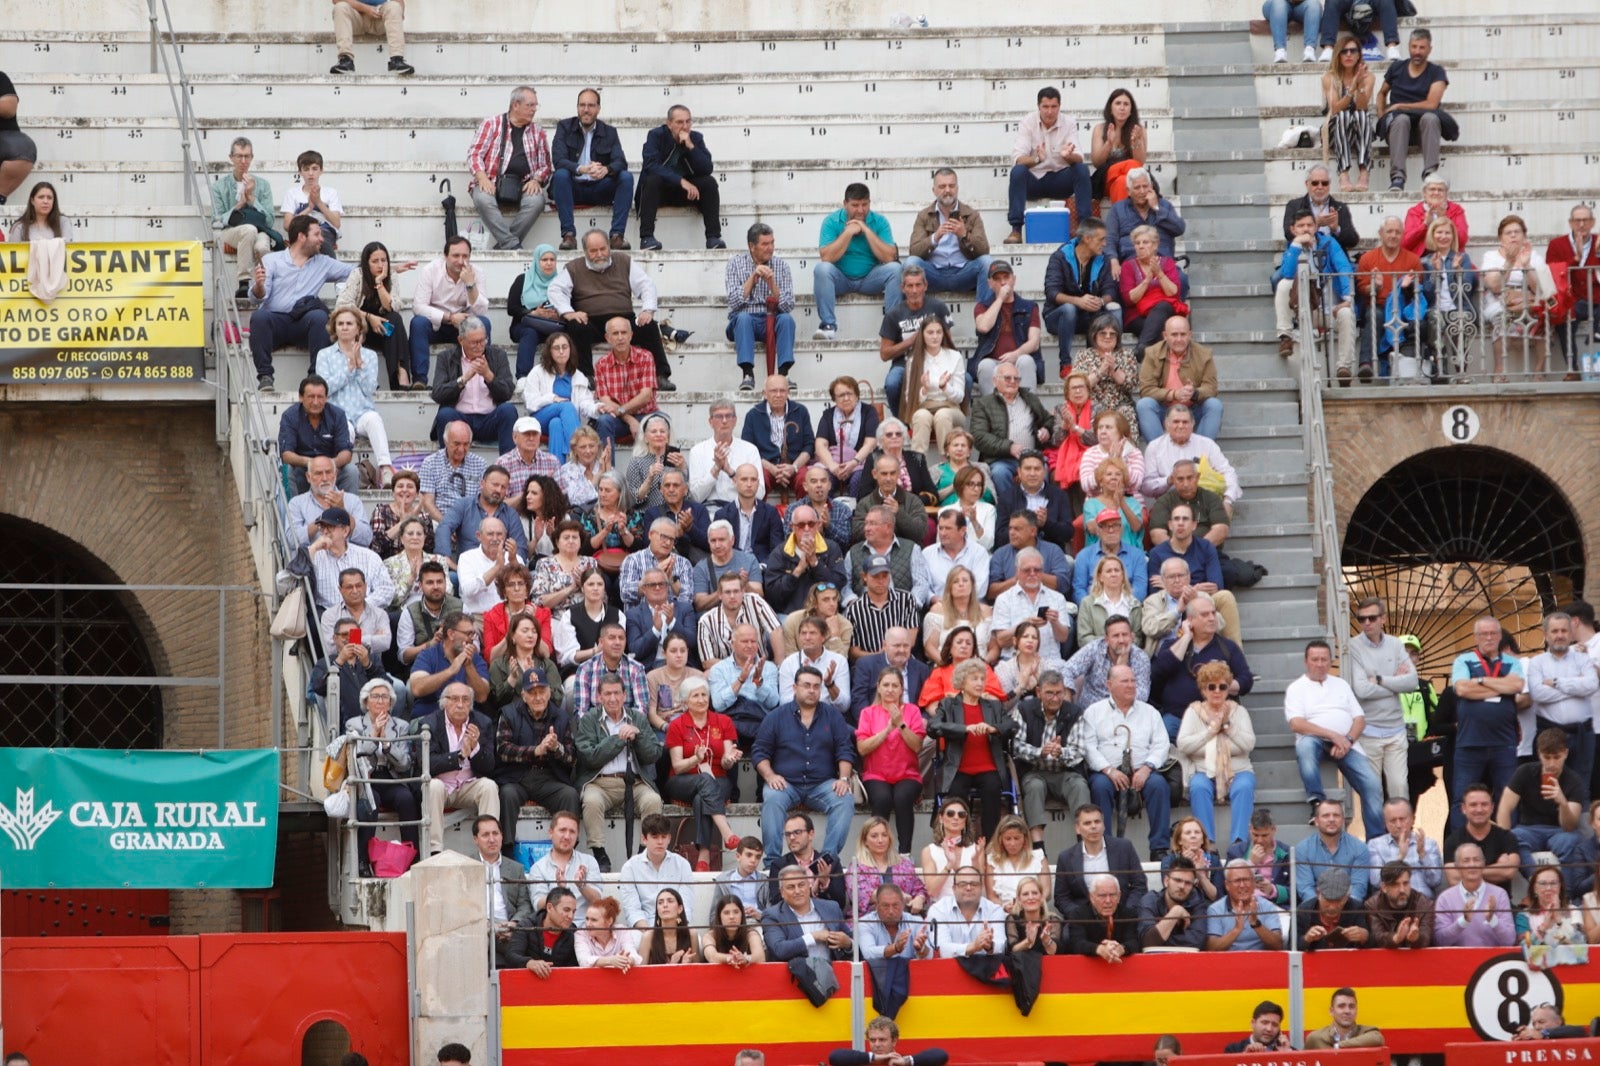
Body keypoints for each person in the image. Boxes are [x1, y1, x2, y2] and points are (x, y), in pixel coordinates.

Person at [752, 666, 856, 865]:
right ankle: (773, 863)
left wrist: (844, 778)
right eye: (806, 685)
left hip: (822, 784)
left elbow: (844, 749)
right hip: (786, 784)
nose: (812, 690)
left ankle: (827, 860)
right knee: (772, 798)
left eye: (816, 687)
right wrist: (770, 776)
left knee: (844, 800)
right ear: (794, 687)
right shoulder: (776, 717)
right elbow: (759, 751)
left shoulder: (833, 716)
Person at [1286, 639, 1386, 838]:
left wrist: (1347, 740)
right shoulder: (1296, 688)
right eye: (1315, 659)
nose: (1320, 664)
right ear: (1306, 662)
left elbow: (1359, 719)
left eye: (1324, 659)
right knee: (1304, 747)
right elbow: (1296, 723)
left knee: (1373, 785)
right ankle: (1317, 802)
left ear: (1331, 661)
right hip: (1314, 740)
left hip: (1348, 744)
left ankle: (1376, 842)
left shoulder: (1341, 684)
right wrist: (1333, 735)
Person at [247, 215, 351, 391]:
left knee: (319, 317)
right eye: (317, 234)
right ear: (302, 237)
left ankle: (315, 377)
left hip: (303, 324)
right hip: (276, 324)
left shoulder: (323, 262)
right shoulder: (273, 260)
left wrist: (387, 268)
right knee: (259, 317)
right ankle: (265, 376)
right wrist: (258, 285)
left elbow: (354, 270)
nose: (322, 239)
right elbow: (258, 298)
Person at [574, 673, 663, 873]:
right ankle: (600, 854)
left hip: (634, 782)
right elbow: (589, 756)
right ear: (599, 697)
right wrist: (618, 738)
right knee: (591, 801)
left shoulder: (637, 717)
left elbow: (654, 753)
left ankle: (643, 853)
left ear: (625, 695)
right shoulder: (589, 719)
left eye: (616, 693)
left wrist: (637, 737)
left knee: (653, 801)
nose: (612, 698)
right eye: (607, 694)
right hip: (600, 782)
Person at [1081, 663, 1171, 857]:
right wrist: (1109, 770)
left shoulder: (1150, 712)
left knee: (1159, 786)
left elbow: (1161, 745)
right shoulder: (1094, 712)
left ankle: (1159, 848)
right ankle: (1106, 847)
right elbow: (1088, 747)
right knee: (1099, 787)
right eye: (1124, 681)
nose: (1131, 685)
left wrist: (1147, 768)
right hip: (1107, 772)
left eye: (1133, 681)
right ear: (1109, 685)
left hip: (1142, 771)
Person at [1450, 616, 1525, 820]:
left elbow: (1516, 686)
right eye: (1484, 634)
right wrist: (1501, 687)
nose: (1489, 637)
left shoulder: (1511, 662)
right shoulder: (1463, 660)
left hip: (1504, 743)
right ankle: (1460, 849)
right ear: (1476, 637)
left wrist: (1481, 680)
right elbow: (1463, 689)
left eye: (1493, 633)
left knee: (1508, 797)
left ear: (1500, 636)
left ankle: (1509, 846)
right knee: (1462, 799)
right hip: (1470, 743)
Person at [1343, 596, 1418, 799]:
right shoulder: (1353, 646)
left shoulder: (1395, 644)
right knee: (1372, 793)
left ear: (1383, 619)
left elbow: (1412, 682)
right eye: (1362, 619)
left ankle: (1400, 832)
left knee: (1400, 788)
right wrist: (1395, 683)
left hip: (1396, 730)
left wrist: (1379, 679)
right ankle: (1376, 833)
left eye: (1372, 618)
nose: (1366, 623)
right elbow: (1362, 690)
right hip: (1368, 732)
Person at [1176, 661, 1256, 848]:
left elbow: (1248, 744)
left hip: (1239, 770)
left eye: (1222, 686)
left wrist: (1228, 726)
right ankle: (1207, 843)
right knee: (1198, 787)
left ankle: (1239, 843)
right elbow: (1184, 744)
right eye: (1211, 686)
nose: (1217, 691)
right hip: (1204, 771)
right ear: (1203, 689)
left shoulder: (1239, 712)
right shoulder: (1194, 712)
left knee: (1244, 787)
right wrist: (1211, 732)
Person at [663, 676, 740, 871]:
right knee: (704, 782)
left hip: (718, 778)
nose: (701, 699)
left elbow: (726, 762)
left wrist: (728, 760)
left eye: (704, 694)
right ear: (685, 701)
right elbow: (677, 765)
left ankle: (703, 855)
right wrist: (695, 759)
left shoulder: (723, 721)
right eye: (695, 695)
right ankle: (726, 831)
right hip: (682, 780)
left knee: (701, 799)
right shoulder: (677, 725)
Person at [493, 667, 577, 844]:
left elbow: (571, 758)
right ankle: (507, 850)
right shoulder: (508, 713)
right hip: (517, 777)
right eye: (532, 693)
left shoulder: (561, 717)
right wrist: (534, 751)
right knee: (507, 794)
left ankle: (568, 847)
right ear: (523, 695)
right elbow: (502, 750)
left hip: (548, 777)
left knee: (569, 795)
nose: (538, 697)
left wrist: (557, 747)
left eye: (542, 691)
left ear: (549, 692)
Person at [414, 682, 498, 856]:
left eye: (465, 699)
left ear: (471, 703)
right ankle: (434, 850)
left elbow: (489, 766)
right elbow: (426, 762)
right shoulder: (428, 724)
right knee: (433, 786)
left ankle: (489, 848)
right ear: (444, 702)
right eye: (454, 699)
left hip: (468, 785)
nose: (460, 704)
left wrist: (474, 749)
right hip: (442, 786)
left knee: (489, 786)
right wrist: (459, 756)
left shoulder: (483, 723)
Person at [341, 678, 420, 863]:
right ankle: (363, 859)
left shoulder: (401, 726)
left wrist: (386, 743)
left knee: (407, 799)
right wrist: (374, 734)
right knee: (371, 801)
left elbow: (404, 763)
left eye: (385, 697)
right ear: (366, 702)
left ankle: (413, 859)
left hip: (391, 777)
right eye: (375, 696)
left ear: (391, 703)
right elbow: (358, 755)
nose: (380, 701)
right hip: (366, 778)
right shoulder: (354, 725)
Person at [812, 182, 903, 340]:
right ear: (845, 204)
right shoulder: (831, 221)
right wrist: (848, 233)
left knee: (895, 269)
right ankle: (828, 325)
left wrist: (866, 230)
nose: (860, 210)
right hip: (841, 278)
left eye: (864, 205)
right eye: (855, 205)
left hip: (870, 278)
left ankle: (892, 327)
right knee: (822, 269)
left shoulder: (879, 221)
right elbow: (826, 257)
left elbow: (889, 257)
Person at [467, 86, 551, 252]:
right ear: (515, 105)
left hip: (524, 184)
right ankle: (512, 244)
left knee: (537, 201)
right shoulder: (492, 124)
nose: (534, 110)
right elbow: (474, 154)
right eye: (530, 105)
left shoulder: (538, 131)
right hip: (491, 180)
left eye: (536, 105)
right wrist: (482, 177)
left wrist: (537, 179)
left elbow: (545, 165)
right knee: (483, 199)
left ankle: (505, 245)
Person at [1012, 670, 1089, 849]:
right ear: (1038, 692)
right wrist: (1040, 751)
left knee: (1079, 786)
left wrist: (1060, 752)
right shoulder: (1024, 709)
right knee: (1034, 786)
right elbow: (1015, 745)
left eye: (1059, 693)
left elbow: (1079, 751)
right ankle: (1039, 848)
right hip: (1034, 770)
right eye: (1049, 693)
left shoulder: (1075, 712)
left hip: (1064, 772)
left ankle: (1083, 846)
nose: (1055, 698)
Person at [1497, 727, 1587, 882]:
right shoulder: (1525, 772)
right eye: (1547, 757)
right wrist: (1504, 841)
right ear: (1539, 754)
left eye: (1556, 757)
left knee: (1571, 841)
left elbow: (1569, 827)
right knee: (1514, 837)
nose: (1551, 763)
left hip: (1559, 831)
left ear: (1565, 753)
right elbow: (1504, 808)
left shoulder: (1573, 781)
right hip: (1528, 829)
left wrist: (1562, 802)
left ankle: (1566, 892)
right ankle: (1534, 881)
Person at [1005, 86, 1091, 245]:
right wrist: (1036, 159)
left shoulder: (1069, 122)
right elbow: (1018, 159)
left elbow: (1078, 157)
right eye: (1045, 107)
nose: (1050, 111)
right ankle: (1016, 230)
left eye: (1054, 107)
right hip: (1034, 180)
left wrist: (1068, 156)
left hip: (1060, 179)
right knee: (1018, 172)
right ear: (1038, 106)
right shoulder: (1028, 122)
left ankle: (1084, 228)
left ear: (1059, 106)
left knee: (1081, 169)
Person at [549, 88, 632, 252]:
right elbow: (558, 160)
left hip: (600, 187)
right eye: (582, 105)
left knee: (626, 177)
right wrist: (581, 169)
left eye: (591, 105)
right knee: (560, 175)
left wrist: (606, 170)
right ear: (577, 107)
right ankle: (568, 235)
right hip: (573, 187)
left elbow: (621, 161)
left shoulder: (609, 132)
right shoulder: (564, 127)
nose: (586, 109)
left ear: (598, 108)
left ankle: (616, 236)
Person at [1274, 209, 1356, 373]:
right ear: (1293, 230)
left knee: (1347, 313)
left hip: (1330, 309)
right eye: (1301, 226)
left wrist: (1348, 298)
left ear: (1316, 227)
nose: (1306, 229)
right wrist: (1297, 244)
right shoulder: (1292, 247)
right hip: (1304, 311)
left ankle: (1344, 367)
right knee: (1283, 284)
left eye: (1310, 225)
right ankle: (1285, 336)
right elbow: (1287, 274)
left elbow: (1344, 267)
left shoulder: (1328, 243)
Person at [638, 104, 724, 251]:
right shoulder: (656, 135)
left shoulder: (696, 138)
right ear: (669, 124)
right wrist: (680, 181)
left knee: (709, 183)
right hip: (660, 191)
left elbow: (707, 168)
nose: (684, 126)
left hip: (686, 193)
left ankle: (713, 238)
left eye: (688, 121)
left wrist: (691, 146)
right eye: (679, 122)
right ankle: (647, 238)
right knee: (652, 180)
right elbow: (650, 165)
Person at [411, 237, 492, 392]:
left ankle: (481, 375)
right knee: (418, 323)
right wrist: (448, 317)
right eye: (456, 256)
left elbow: (481, 310)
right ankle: (419, 379)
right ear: (445, 256)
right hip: (437, 323)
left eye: (465, 256)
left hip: (464, 326)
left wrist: (470, 284)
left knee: (483, 323)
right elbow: (418, 306)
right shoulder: (430, 270)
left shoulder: (477, 273)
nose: (461, 261)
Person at [905, 168, 994, 304]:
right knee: (911, 263)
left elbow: (984, 250)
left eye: (951, 186)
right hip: (933, 274)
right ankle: (912, 318)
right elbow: (914, 251)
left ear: (957, 188)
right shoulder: (924, 215)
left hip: (963, 273)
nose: (947, 190)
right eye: (942, 186)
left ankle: (984, 319)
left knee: (987, 262)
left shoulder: (971, 214)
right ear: (934, 190)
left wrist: (964, 234)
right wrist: (935, 237)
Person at [1378, 28, 1451, 192]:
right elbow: (1381, 93)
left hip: (1423, 131)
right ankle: (1397, 178)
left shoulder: (1436, 72)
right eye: (1414, 47)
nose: (1417, 52)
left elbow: (1432, 104)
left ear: (1429, 49)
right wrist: (1382, 117)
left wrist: (1401, 106)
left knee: (1430, 118)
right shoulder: (1396, 68)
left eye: (1422, 48)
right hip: (1398, 128)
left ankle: (1430, 174)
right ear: (1409, 47)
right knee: (1401, 120)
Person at [725, 222, 796, 390]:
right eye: (765, 244)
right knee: (742, 318)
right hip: (744, 319)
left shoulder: (782, 266)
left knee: (786, 319)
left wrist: (772, 284)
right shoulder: (735, 264)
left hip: (771, 319)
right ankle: (747, 374)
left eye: (772, 243)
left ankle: (784, 374)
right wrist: (753, 278)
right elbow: (733, 303)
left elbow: (788, 305)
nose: (770, 248)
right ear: (752, 246)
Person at [969, 362, 1055, 497]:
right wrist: (1009, 447)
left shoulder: (1030, 398)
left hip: (1031, 455)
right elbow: (979, 437)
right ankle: (1009, 511)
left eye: (1016, 379)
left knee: (1042, 468)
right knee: (999, 473)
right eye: (1007, 378)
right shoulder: (983, 404)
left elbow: (1048, 419)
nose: (1013, 382)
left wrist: (1046, 430)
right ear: (995, 381)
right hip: (1001, 459)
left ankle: (1038, 510)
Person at [1354, 216, 1424, 377]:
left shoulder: (1413, 260)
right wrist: (1375, 286)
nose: (1393, 235)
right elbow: (1362, 289)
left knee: (1420, 322)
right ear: (1381, 233)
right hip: (1378, 305)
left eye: (1397, 232)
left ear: (1403, 235)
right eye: (1389, 231)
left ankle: (1419, 368)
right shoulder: (1368, 259)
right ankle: (1366, 363)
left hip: (1403, 307)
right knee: (1375, 315)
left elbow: (1418, 292)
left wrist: (1407, 288)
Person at [879, 266, 954, 413]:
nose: (914, 290)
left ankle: (956, 425)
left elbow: (949, 344)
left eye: (918, 285)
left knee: (968, 380)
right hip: (904, 363)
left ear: (925, 286)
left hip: (936, 361)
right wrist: (911, 341)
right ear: (903, 288)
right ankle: (901, 425)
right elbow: (884, 354)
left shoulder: (938, 307)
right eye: (910, 286)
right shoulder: (893, 314)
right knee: (892, 382)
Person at [1135, 318, 1219, 446]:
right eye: (1174, 334)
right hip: (1164, 409)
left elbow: (1211, 387)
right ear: (1165, 336)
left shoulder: (1204, 354)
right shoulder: (1152, 353)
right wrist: (1174, 394)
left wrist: (1195, 393)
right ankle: (1161, 452)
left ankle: (1202, 454)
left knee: (1214, 405)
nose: (1179, 339)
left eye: (1183, 334)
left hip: (1192, 409)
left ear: (1190, 335)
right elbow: (1146, 389)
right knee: (1144, 405)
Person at [589, 317, 661, 461]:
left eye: (624, 333)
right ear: (607, 338)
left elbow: (646, 396)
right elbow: (606, 401)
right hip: (620, 419)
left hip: (646, 414)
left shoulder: (645, 357)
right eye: (615, 333)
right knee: (603, 421)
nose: (620, 338)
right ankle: (609, 475)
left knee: (662, 424)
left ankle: (659, 475)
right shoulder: (601, 365)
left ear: (631, 335)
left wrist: (622, 410)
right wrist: (629, 420)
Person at [213, 137, 276, 298]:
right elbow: (216, 220)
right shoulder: (219, 186)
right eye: (239, 156)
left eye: (247, 156)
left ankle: (266, 286)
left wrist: (252, 198)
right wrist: (240, 204)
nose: (243, 161)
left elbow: (269, 220)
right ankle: (244, 282)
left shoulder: (263, 185)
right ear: (231, 158)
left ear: (252, 157)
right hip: (231, 230)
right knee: (249, 230)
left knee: (262, 246)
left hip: (259, 229)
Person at [279, 375, 359, 498]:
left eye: (320, 397)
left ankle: (348, 514)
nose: (316, 402)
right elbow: (286, 455)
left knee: (351, 471)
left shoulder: (337, 415)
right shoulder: (290, 416)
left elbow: (346, 453)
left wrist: (329, 465)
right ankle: (292, 515)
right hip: (303, 472)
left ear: (326, 398)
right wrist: (312, 464)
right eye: (311, 397)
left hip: (331, 471)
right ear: (301, 397)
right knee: (287, 470)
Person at [1054, 803, 1144, 910]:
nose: (1093, 826)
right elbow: (1061, 897)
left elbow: (1140, 885)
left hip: (1121, 916)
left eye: (1097, 821)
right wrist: (1079, 916)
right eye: (1087, 823)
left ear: (1104, 825)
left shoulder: (1124, 848)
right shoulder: (1066, 858)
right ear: (1077, 828)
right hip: (1084, 920)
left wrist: (1127, 912)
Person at [973, 260, 1044, 394]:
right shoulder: (982, 307)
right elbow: (983, 327)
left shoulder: (1030, 307)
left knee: (1026, 361)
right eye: (997, 279)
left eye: (1006, 277)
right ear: (990, 284)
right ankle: (993, 413)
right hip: (994, 363)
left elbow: (1034, 342)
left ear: (1014, 279)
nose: (1003, 282)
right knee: (984, 365)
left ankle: (1028, 411)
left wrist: (1016, 354)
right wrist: (1000, 299)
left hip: (1019, 360)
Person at [992, 547, 1073, 664]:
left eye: (1037, 570)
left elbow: (1063, 637)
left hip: (1050, 663)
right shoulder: (1004, 599)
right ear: (1017, 571)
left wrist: (1055, 622)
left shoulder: (1057, 597)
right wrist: (1024, 625)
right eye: (1027, 570)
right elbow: (1001, 641)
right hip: (1014, 663)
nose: (1032, 574)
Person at [1068, 328, 1137, 463]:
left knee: (1126, 412)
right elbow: (1081, 385)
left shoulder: (1127, 354)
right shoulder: (1084, 355)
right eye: (1103, 333)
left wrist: (1114, 368)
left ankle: (1129, 459)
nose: (1108, 336)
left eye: (1112, 334)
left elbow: (1130, 385)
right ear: (1094, 335)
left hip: (1120, 405)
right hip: (1093, 406)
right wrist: (1101, 370)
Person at [900, 318, 968, 455]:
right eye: (930, 332)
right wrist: (924, 390)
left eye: (939, 332)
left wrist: (945, 387)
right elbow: (909, 398)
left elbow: (960, 397)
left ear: (944, 334)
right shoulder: (914, 359)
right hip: (923, 406)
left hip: (951, 407)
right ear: (922, 334)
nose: (935, 336)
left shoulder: (955, 356)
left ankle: (948, 462)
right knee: (921, 416)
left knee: (942, 415)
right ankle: (918, 466)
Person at [1118, 226, 1185, 362]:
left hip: (1164, 313)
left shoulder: (1167, 263)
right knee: (1160, 332)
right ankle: (1167, 371)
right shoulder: (1128, 266)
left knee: (1163, 306)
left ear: (1155, 245)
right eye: (1137, 243)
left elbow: (1174, 293)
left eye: (1145, 242)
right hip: (1137, 316)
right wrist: (1147, 280)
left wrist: (1159, 274)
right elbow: (1129, 299)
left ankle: (1142, 348)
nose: (1140, 247)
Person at [760, 864, 852, 962]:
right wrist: (814, 937)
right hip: (796, 975)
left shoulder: (831, 908)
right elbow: (779, 950)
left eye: (801, 885)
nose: (797, 891)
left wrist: (848, 944)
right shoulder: (772, 916)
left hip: (833, 973)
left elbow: (853, 942)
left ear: (809, 885)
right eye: (791, 887)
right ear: (782, 892)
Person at [1546, 204, 1598, 373]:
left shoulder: (1599, 242)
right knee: (1566, 320)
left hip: (1597, 299)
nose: (1581, 224)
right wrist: (1576, 258)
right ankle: (1573, 369)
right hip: (1572, 300)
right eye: (1577, 220)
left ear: (1593, 222)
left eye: (1585, 220)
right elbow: (1553, 272)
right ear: (1570, 223)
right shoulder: (1557, 244)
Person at [618, 817, 695, 931]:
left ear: (669, 838)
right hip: (644, 928)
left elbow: (686, 905)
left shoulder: (682, 865)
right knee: (634, 942)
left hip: (677, 926)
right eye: (655, 837)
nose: (660, 842)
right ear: (644, 839)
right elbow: (632, 910)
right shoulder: (630, 867)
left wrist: (673, 930)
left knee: (696, 940)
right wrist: (650, 933)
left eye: (664, 837)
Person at [1294, 798, 1373, 907]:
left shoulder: (1360, 848)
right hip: (1316, 910)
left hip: (1349, 909)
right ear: (1316, 821)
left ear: (1343, 820)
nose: (1331, 819)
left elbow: (1358, 887)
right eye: (1326, 816)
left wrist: (1344, 908)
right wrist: (1321, 908)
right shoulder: (1303, 849)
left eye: (1336, 815)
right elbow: (1306, 888)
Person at [1434, 841, 1515, 946]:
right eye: (1466, 861)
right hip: (1457, 960)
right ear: (1457, 866)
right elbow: (1440, 941)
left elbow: (1510, 940)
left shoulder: (1499, 894)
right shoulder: (1445, 898)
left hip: (1492, 961)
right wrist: (1463, 921)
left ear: (1483, 864)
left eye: (1476, 860)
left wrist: (1493, 920)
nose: (1472, 865)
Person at [765, 810, 848, 913]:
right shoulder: (779, 865)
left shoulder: (830, 862)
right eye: (787, 834)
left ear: (811, 834)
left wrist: (825, 882)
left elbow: (840, 903)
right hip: (794, 921)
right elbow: (776, 903)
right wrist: (813, 889)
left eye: (797, 832)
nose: (791, 837)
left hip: (825, 919)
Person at [743, 373, 813, 495]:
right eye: (773, 391)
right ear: (764, 394)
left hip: (795, 465)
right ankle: (759, 513)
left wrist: (794, 467)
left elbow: (809, 445)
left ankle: (804, 513)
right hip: (766, 466)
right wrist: (771, 468)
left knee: (807, 481)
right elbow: (747, 449)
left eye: (782, 391)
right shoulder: (753, 415)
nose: (778, 395)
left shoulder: (800, 411)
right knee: (757, 481)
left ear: (788, 393)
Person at [844, 549, 926, 652]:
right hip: (872, 664)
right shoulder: (854, 610)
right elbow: (854, 651)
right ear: (864, 577)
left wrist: (892, 653)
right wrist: (878, 656)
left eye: (885, 576)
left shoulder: (906, 600)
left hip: (902, 657)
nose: (881, 581)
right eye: (875, 576)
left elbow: (911, 639)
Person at [1062, 616, 1152, 710]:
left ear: (1132, 637)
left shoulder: (1141, 657)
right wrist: (1068, 702)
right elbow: (1067, 670)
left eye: (1125, 635)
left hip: (1124, 713)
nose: (1121, 640)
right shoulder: (1095, 648)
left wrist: (1121, 670)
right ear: (1106, 639)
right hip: (1090, 712)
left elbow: (1142, 696)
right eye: (1116, 636)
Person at [505, 244, 565, 378]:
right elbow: (512, 308)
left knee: (568, 333)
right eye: (544, 260)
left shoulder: (561, 281)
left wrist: (559, 315)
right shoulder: (523, 280)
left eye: (552, 259)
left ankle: (564, 375)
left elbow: (570, 306)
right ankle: (523, 377)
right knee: (530, 332)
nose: (548, 263)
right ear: (537, 261)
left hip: (552, 326)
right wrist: (532, 313)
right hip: (525, 326)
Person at [814, 377, 880, 499]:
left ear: (856, 395)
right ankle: (826, 514)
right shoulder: (828, 414)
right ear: (834, 399)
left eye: (849, 394)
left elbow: (870, 443)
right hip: (834, 463)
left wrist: (853, 463)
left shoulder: (868, 412)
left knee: (858, 480)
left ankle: (857, 515)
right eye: (841, 395)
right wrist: (833, 466)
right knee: (822, 480)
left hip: (860, 463)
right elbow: (820, 445)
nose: (846, 398)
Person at [849, 817, 928, 919]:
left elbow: (919, 888)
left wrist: (919, 898)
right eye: (874, 836)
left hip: (903, 919)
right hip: (869, 921)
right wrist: (899, 895)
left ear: (889, 838)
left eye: (884, 835)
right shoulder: (857, 866)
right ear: (865, 841)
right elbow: (859, 895)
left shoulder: (904, 864)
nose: (880, 840)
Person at [690, 402, 767, 505]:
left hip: (740, 508)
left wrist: (730, 472)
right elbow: (696, 497)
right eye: (719, 417)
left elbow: (759, 494)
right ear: (710, 422)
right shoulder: (697, 451)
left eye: (729, 416)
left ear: (735, 421)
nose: (724, 421)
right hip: (709, 509)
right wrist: (716, 469)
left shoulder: (750, 450)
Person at [1106, 168, 1186, 265]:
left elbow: (1179, 229)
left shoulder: (1164, 205)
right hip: (1131, 265)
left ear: (1151, 186)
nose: (1142, 191)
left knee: (1182, 279)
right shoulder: (1117, 209)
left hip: (1161, 262)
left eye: (1145, 186)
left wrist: (1156, 208)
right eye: (1137, 188)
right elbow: (1110, 239)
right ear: (1128, 191)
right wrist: (1113, 259)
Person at [1366, 797, 1443, 897]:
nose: (1398, 825)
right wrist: (1399, 858)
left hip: (1422, 903)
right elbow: (1376, 882)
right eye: (1393, 820)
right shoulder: (1375, 845)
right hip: (1391, 904)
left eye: (1402, 819)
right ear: (1384, 823)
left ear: (1412, 819)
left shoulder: (1428, 843)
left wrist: (1422, 855)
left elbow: (1435, 881)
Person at [927, 865, 1009, 958]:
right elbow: (942, 948)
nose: (969, 888)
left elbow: (1001, 944)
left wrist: (990, 946)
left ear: (981, 887)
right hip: (949, 968)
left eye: (974, 884)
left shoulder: (994, 910)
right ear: (954, 889)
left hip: (985, 969)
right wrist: (973, 947)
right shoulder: (939, 909)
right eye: (962, 884)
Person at [1206, 861, 1286, 952]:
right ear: (1227, 885)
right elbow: (1211, 949)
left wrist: (1256, 924)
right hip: (1228, 963)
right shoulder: (1215, 909)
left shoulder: (1268, 907)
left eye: (1246, 880)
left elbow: (1278, 946)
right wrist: (1237, 929)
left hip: (1260, 961)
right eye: (1237, 881)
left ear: (1254, 883)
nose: (1242, 885)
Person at [504, 885, 581, 976]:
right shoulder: (526, 926)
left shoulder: (573, 932)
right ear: (549, 908)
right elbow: (511, 955)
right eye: (566, 910)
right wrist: (529, 963)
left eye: (574, 911)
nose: (571, 916)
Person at [1090, 89, 1149, 206]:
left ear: (1131, 110)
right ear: (1110, 109)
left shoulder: (1138, 130)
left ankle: (1123, 222)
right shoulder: (1100, 129)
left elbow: (1140, 163)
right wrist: (1108, 144)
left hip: (1130, 182)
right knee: (1131, 166)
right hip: (1106, 179)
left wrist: (1136, 142)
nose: (1122, 108)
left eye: (1126, 104)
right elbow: (1097, 163)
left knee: (1122, 181)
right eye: (1118, 103)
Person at [1065, 873, 1142, 961]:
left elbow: (1134, 943)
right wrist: (1099, 949)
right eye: (1102, 896)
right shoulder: (1078, 915)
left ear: (1119, 896)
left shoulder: (1129, 915)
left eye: (1112, 895)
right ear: (1091, 897)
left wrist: (1121, 949)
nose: (1108, 901)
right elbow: (1076, 944)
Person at [1137, 855, 1208, 949]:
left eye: (1188, 883)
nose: (1182, 886)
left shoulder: (1197, 903)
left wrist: (1161, 938)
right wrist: (1175, 912)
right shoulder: (1150, 900)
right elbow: (1147, 942)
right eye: (1177, 880)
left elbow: (1197, 942)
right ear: (1166, 881)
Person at [280, 149, 343, 256]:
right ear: (300, 172)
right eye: (306, 169)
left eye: (314, 169)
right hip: (301, 233)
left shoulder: (330, 192)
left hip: (324, 232)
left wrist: (318, 202)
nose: (310, 173)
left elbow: (336, 223)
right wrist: (308, 208)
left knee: (319, 242)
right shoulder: (292, 193)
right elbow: (287, 225)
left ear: (321, 170)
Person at [986, 814, 1051, 912]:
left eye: (1017, 838)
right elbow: (991, 896)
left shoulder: (1038, 857)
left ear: (1024, 838)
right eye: (1008, 839)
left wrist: (1031, 905)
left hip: (1034, 910)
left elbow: (1047, 891)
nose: (1013, 844)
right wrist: (1005, 906)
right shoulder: (992, 860)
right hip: (1004, 913)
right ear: (1000, 839)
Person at [328, 0, 412, 74]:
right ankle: (345, 60)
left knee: (394, 6)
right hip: (356, 18)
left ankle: (397, 59)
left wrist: (398, 13)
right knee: (340, 7)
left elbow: (399, 2)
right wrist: (366, 9)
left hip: (379, 17)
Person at [1365, 859, 1435, 948]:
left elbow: (1427, 938)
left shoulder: (1425, 904)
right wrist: (1396, 938)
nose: (1402, 890)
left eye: (1405, 883)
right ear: (1384, 887)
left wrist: (1416, 938)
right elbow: (1377, 938)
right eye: (1395, 885)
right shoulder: (1372, 905)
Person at [1296, 867, 1369, 951]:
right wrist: (1306, 939)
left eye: (1338, 901)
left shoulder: (1357, 909)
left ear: (1347, 896)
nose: (1332, 907)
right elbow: (1291, 947)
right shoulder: (1303, 911)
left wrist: (1365, 937)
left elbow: (1373, 946)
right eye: (1328, 900)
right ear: (1318, 893)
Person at [828, 1018, 950, 1066]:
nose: (876, 1044)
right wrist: (875, 1057)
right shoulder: (863, 1061)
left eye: (882, 1039)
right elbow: (835, 1057)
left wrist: (906, 1061)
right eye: (872, 1040)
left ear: (894, 1041)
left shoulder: (903, 1061)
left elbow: (941, 1055)